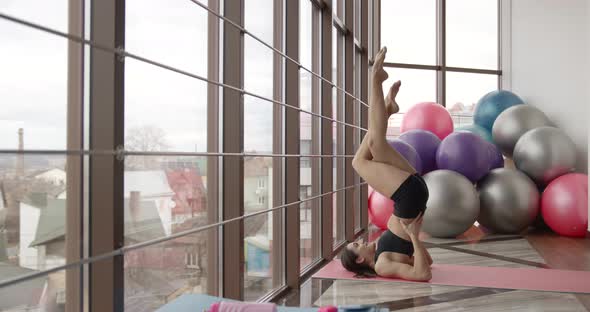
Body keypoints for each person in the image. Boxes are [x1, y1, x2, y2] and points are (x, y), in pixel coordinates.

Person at [340, 47, 433, 281]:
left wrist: (413, 240)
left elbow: (426, 259)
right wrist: (413, 236)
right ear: (360, 259)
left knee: (375, 146)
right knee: (360, 160)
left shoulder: (382, 247)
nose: (360, 240)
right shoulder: (382, 265)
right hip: (409, 196)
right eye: (357, 246)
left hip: (412, 193)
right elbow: (424, 273)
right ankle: (375, 80)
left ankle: (387, 108)